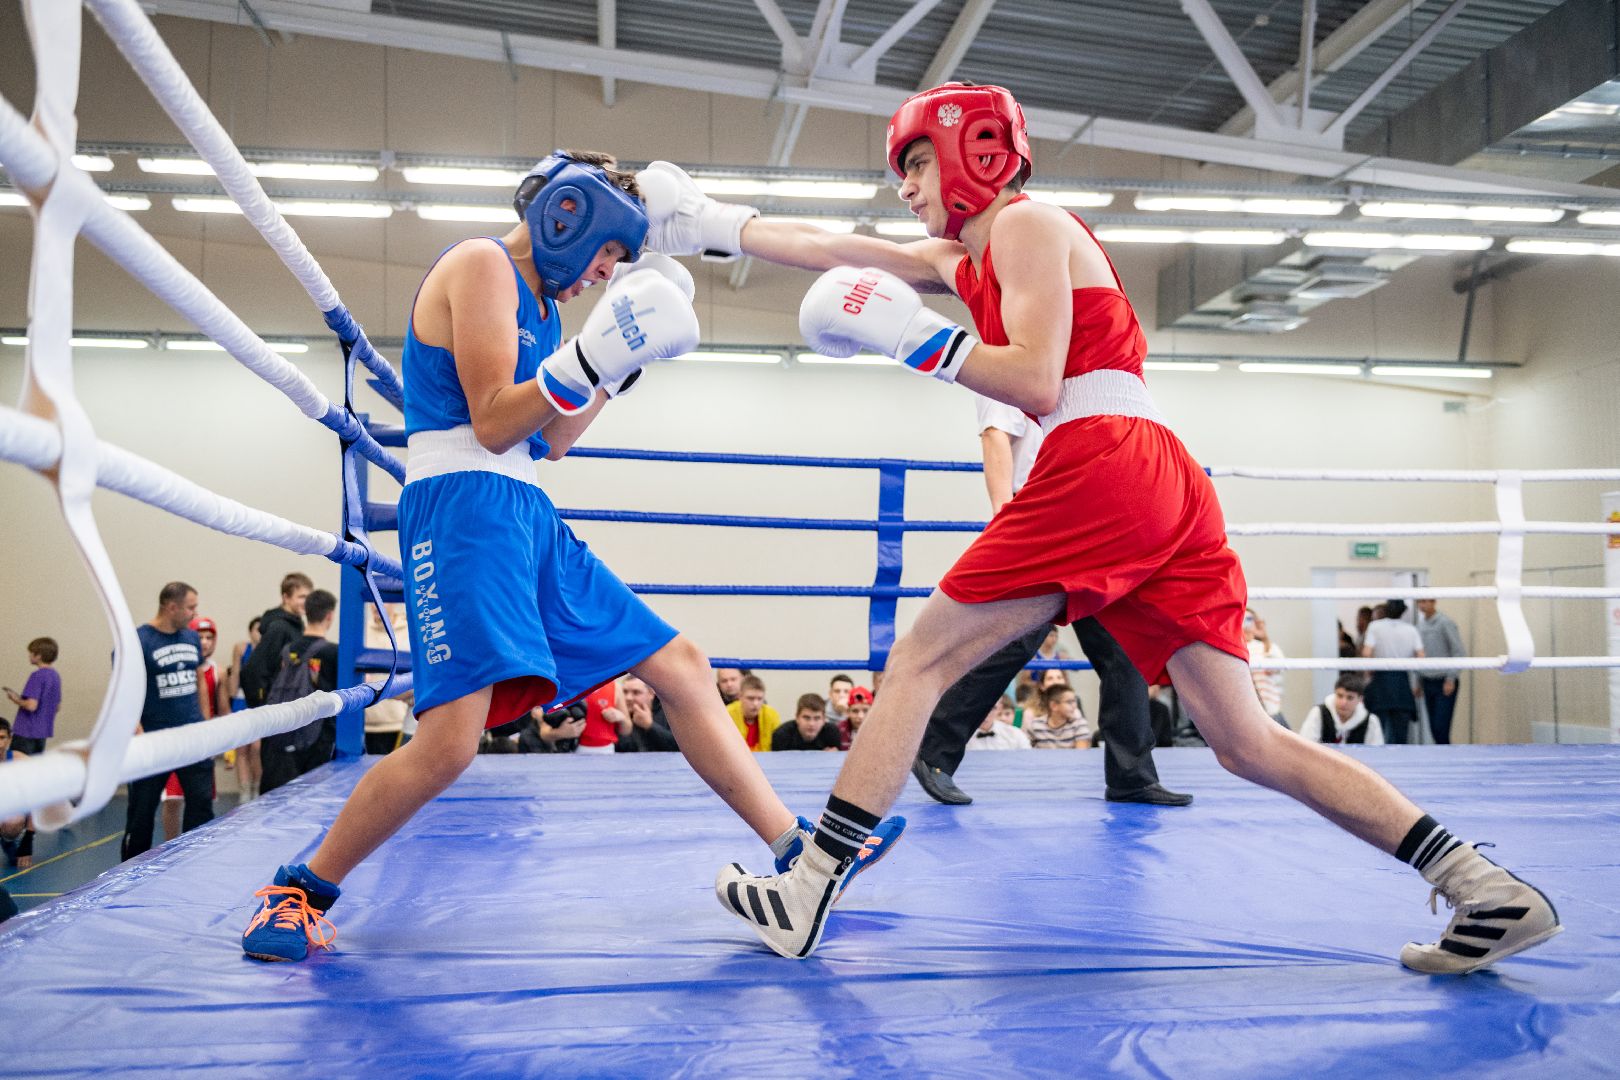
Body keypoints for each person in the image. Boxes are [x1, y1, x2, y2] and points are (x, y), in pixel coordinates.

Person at [668, 82, 1557, 973]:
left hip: (1103, 457)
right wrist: (700, 219)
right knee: (1245, 741)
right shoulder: (962, 256)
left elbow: (1035, 382)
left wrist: (916, 342)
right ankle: (1484, 886)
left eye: (918, 161)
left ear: (976, 151)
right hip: (1158, 477)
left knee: (921, 659)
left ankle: (808, 885)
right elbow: (825, 245)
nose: (904, 184)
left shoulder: (1028, 224)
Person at [240, 151, 899, 963]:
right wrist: (592, 355)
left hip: (523, 507)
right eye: (609, 252)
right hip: (461, 508)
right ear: (569, 215)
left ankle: (799, 853)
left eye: (620, 263)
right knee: (450, 743)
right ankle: (298, 889)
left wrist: (621, 366)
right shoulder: (482, 264)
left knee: (683, 665)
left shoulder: (546, 311)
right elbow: (489, 421)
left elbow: (549, 439)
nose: (607, 271)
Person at [907, 388, 1189, 807]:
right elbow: (995, 436)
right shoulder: (1007, 370)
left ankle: (1132, 776)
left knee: (1123, 646)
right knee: (1013, 640)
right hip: (1042, 524)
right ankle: (933, 751)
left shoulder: (1070, 375)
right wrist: (1005, 518)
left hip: (1091, 524)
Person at [123, 582, 214, 860]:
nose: (194, 613)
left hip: (191, 737)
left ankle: (192, 862)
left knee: (201, 806)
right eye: (190, 607)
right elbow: (124, 689)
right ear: (171, 607)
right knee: (141, 813)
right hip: (154, 739)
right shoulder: (138, 641)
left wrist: (209, 725)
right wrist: (137, 731)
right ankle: (127, 874)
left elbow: (199, 680)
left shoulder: (190, 638)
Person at [258, 589, 341, 794]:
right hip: (320, 735)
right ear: (330, 616)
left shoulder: (287, 650)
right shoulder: (333, 652)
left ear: (306, 612)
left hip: (286, 731)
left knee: (283, 801)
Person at [160, 616, 225, 840]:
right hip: (176, 740)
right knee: (172, 799)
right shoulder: (177, 669)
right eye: (201, 637)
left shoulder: (218, 671)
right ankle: (169, 848)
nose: (205, 642)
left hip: (204, 743)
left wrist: (230, 746)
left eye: (210, 637)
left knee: (199, 801)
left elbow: (224, 710)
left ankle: (194, 848)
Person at [241, 574, 313, 709]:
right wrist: (263, 706)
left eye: (308, 597)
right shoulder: (279, 627)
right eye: (301, 597)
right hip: (275, 706)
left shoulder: (297, 624)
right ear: (286, 598)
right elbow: (253, 670)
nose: (306, 602)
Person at [1361, 600, 1425, 745]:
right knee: (1400, 735)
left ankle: (1376, 766)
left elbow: (1366, 653)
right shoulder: (1411, 629)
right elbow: (1421, 656)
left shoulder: (1375, 627)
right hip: (1402, 680)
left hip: (1380, 678)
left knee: (1377, 732)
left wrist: (1369, 671)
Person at [1415, 599, 1466, 744]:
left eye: (1425, 601)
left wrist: (1451, 678)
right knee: (1433, 727)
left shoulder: (1445, 623)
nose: (1422, 605)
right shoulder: (1419, 626)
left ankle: (1448, 760)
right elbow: (1420, 655)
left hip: (1444, 680)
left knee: (1441, 726)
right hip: (1427, 680)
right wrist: (1418, 681)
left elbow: (1459, 652)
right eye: (1419, 602)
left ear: (1433, 602)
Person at [6, 636, 62, 756]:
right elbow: (57, 707)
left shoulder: (37, 676)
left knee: (18, 767)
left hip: (26, 731)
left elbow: (31, 705)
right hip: (42, 732)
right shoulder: (55, 676)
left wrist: (15, 699)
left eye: (31, 653)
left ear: (38, 656)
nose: (29, 656)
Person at [227, 616, 263, 800]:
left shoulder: (268, 651)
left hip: (259, 703)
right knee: (241, 749)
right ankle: (244, 791)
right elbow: (235, 674)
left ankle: (257, 788)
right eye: (256, 630)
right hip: (241, 700)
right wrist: (231, 700)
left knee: (257, 748)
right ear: (250, 632)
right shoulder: (242, 648)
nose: (259, 634)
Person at [1299, 675, 1383, 746]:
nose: (1343, 702)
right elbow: (1305, 746)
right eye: (1340, 696)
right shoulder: (1318, 713)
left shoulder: (1371, 722)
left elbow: (1376, 753)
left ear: (1360, 700)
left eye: (1350, 698)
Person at [1243, 608, 1288, 727]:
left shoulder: (1266, 647)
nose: (1245, 624)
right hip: (1247, 713)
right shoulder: (1235, 648)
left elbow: (1277, 667)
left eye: (1249, 619)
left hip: (1271, 712)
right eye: (1241, 619)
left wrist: (1264, 636)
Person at [0, 719, 34, 870]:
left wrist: (28, 840)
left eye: (2, 738)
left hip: (11, 814)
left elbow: (38, 800)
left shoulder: (22, 762)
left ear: (10, 739)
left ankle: (9, 840)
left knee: (12, 821)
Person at [618, 674, 679, 752]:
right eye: (625, 692)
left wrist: (650, 726)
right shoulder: (618, 713)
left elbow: (679, 748)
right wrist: (624, 723)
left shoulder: (668, 712)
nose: (628, 698)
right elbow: (621, 750)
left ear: (651, 694)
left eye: (636, 692)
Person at [1026, 683, 1090, 750]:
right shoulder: (1035, 725)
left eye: (1074, 701)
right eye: (1069, 702)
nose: (1074, 706)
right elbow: (1029, 752)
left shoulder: (1079, 724)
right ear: (1054, 706)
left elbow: (1081, 755)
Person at [726, 674, 780, 751]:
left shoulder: (772, 715)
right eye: (750, 698)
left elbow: (777, 747)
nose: (756, 703)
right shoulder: (727, 714)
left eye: (760, 699)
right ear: (740, 696)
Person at [771, 694, 841, 752]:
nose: (811, 724)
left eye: (817, 718)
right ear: (797, 718)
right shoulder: (781, 735)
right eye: (806, 718)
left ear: (824, 719)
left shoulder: (832, 733)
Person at [965, 697, 1030, 751]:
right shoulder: (962, 737)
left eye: (991, 708)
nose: (985, 714)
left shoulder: (1015, 734)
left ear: (999, 708)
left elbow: (1027, 758)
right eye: (979, 708)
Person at [837, 685, 872, 750]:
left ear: (873, 710)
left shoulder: (880, 730)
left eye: (865, 710)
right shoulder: (839, 730)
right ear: (848, 712)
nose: (860, 716)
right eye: (855, 711)